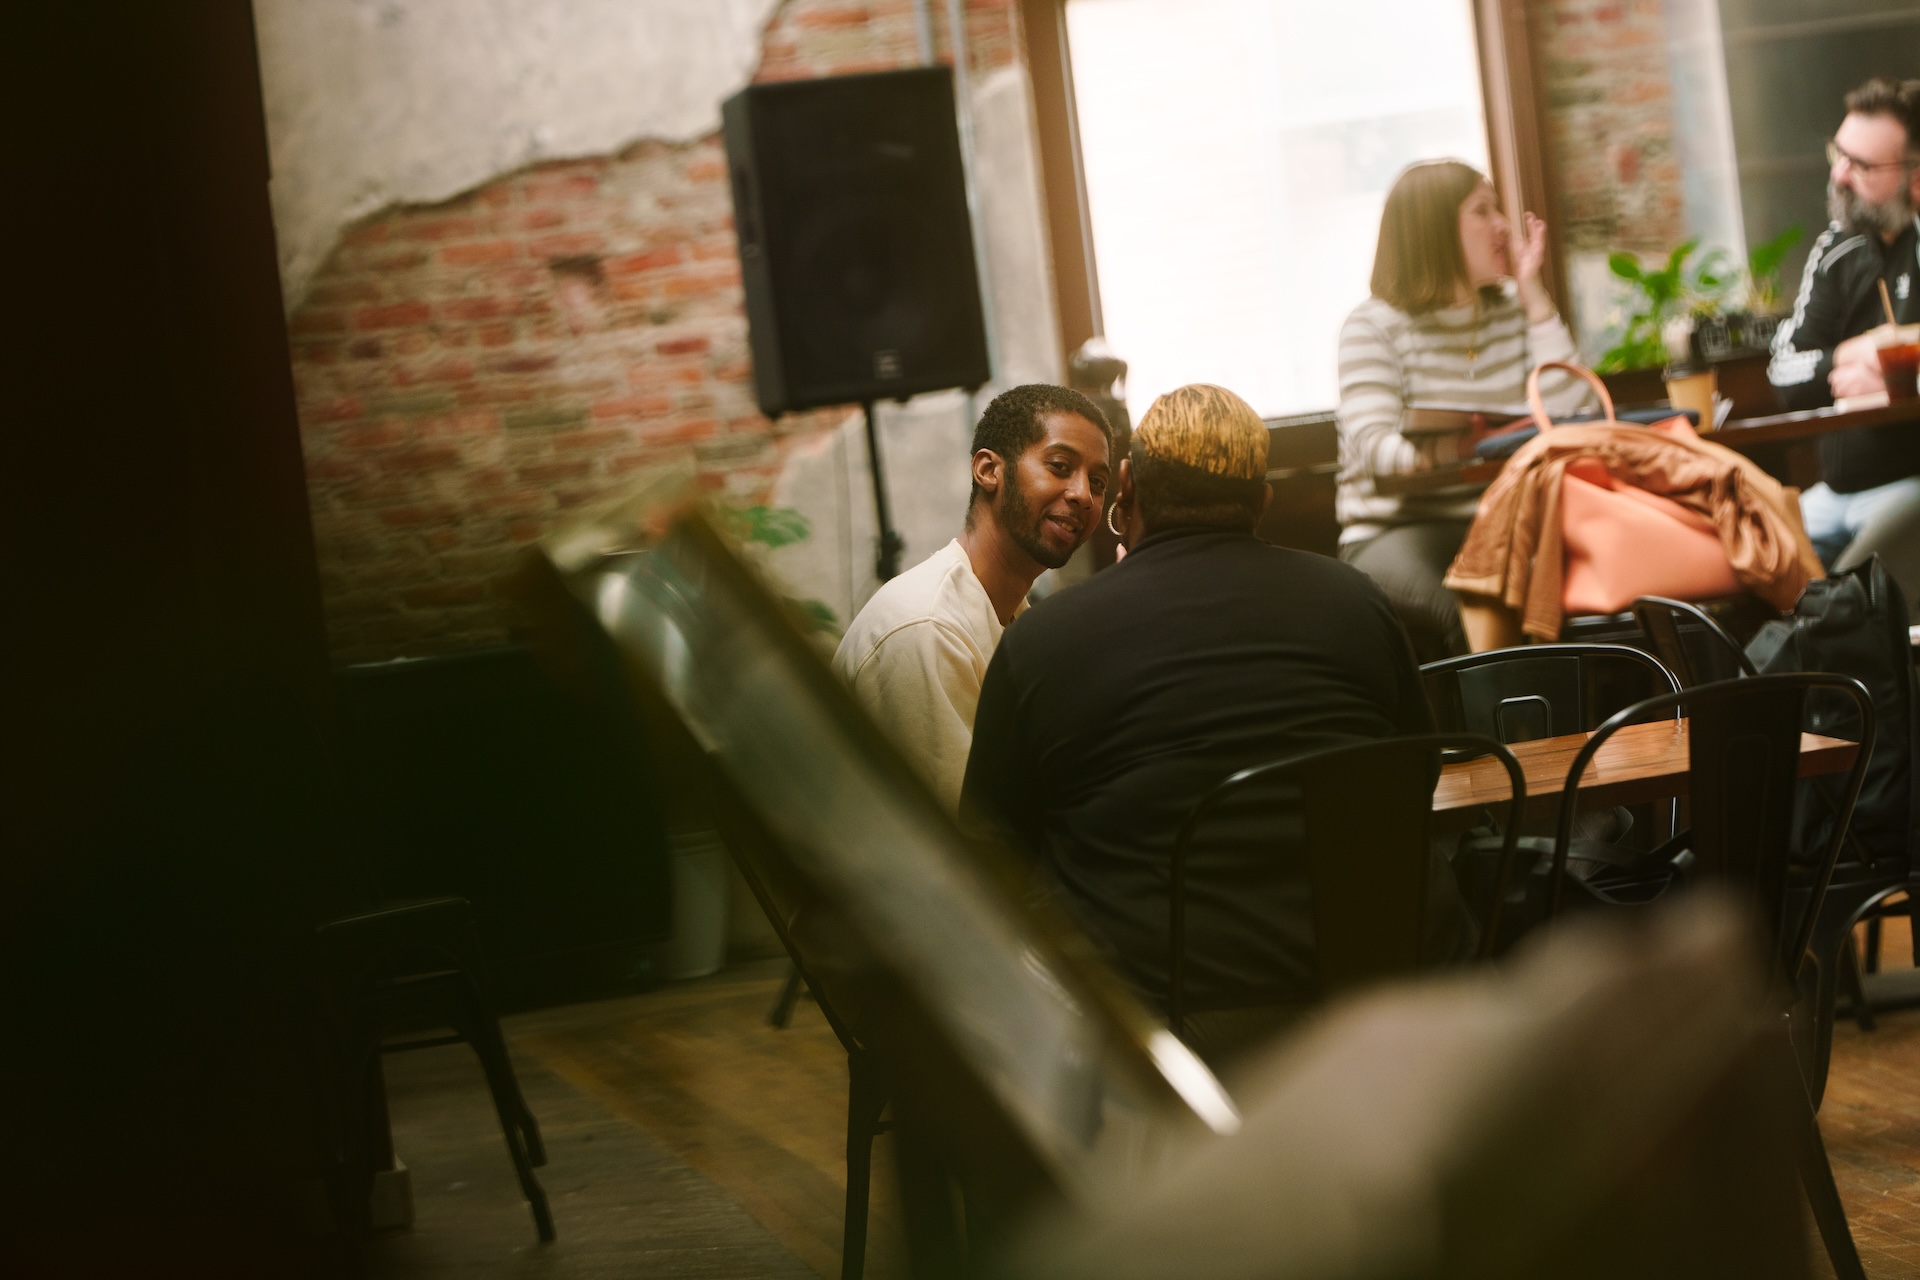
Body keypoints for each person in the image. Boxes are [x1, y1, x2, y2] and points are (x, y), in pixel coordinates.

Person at [961, 383, 1462, 1066]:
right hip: (1378, 1005)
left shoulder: (1042, 640)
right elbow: (1414, 773)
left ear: (1128, 488)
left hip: (1165, 1029)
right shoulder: (1356, 601)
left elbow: (991, 846)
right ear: (1263, 503)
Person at [1336, 160, 1595, 662]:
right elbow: (1373, 446)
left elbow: (1572, 409)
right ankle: (1498, 745)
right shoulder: (1374, 326)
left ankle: (1571, 739)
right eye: (1483, 210)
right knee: (1471, 612)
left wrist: (1534, 296)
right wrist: (1447, 451)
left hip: (1500, 524)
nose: (1504, 224)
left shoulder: (1511, 313)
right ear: (1433, 230)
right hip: (1394, 529)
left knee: (1573, 594)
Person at [834, 384, 1112, 812]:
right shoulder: (928, 627)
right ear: (988, 470)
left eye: (1097, 482)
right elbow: (963, 847)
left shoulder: (1011, 614)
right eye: (1060, 466)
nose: (1083, 495)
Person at [1768, 77, 1920, 590]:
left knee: (1844, 601)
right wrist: (1850, 357)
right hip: (1831, 495)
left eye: (1862, 165)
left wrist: (1894, 380)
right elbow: (1785, 373)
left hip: (1910, 488)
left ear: (1916, 179)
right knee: (1742, 563)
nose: (1839, 174)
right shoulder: (1838, 244)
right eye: (1840, 154)